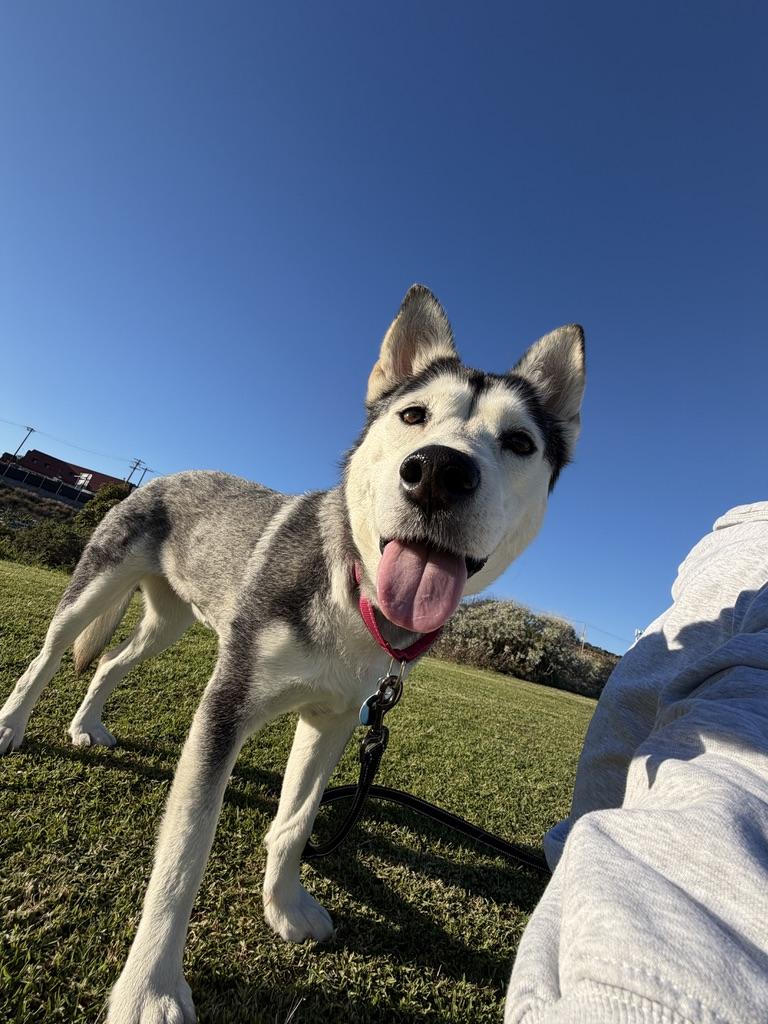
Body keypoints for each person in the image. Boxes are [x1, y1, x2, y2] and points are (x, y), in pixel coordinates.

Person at [505, 503, 768, 1024]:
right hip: (738, 542)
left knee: (645, 693)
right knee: (639, 694)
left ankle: (583, 880)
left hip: (732, 546)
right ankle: (580, 874)